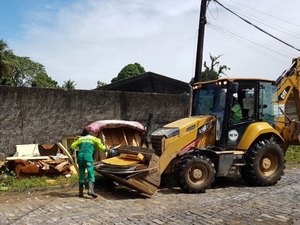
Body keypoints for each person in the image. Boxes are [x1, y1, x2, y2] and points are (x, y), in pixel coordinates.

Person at [70, 129, 108, 198]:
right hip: (88, 158)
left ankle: (80, 193)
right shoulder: (95, 139)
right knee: (91, 173)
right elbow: (101, 148)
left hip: (80, 158)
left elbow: (72, 146)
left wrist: (72, 152)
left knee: (81, 173)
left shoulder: (80, 139)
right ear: (91, 134)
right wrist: (106, 149)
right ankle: (91, 191)